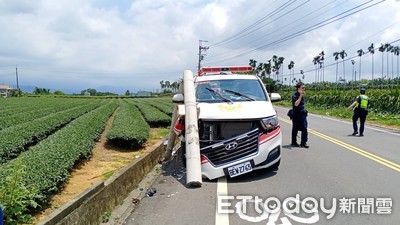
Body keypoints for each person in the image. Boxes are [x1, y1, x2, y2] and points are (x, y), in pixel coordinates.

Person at [291, 82, 309, 148]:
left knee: (304, 128)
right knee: (295, 129)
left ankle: (303, 142)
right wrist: (300, 96)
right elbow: (296, 104)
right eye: (302, 88)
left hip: (302, 114)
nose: (304, 89)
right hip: (296, 114)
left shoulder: (302, 96)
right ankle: (294, 142)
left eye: (304, 88)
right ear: (298, 88)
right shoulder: (295, 95)